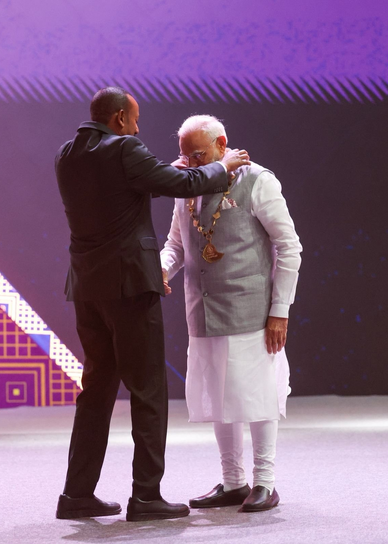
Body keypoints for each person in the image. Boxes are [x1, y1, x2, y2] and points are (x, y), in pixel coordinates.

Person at [55, 89, 250, 522]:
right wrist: (224, 166)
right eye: (136, 119)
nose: (139, 128)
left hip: (88, 289)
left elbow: (125, 187)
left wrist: (164, 171)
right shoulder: (125, 148)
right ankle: (146, 496)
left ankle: (76, 494)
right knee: (148, 391)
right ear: (120, 118)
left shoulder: (67, 154)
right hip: (129, 286)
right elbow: (183, 184)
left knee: (96, 390)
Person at [160, 115, 302, 512]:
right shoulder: (186, 187)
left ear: (222, 145)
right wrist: (159, 271)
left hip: (251, 310)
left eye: (198, 154)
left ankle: (265, 482)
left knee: (257, 394)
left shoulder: (258, 181)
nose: (190, 162)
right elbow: (176, 246)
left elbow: (290, 247)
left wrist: (280, 311)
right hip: (202, 310)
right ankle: (234, 481)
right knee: (219, 395)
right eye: (185, 155)